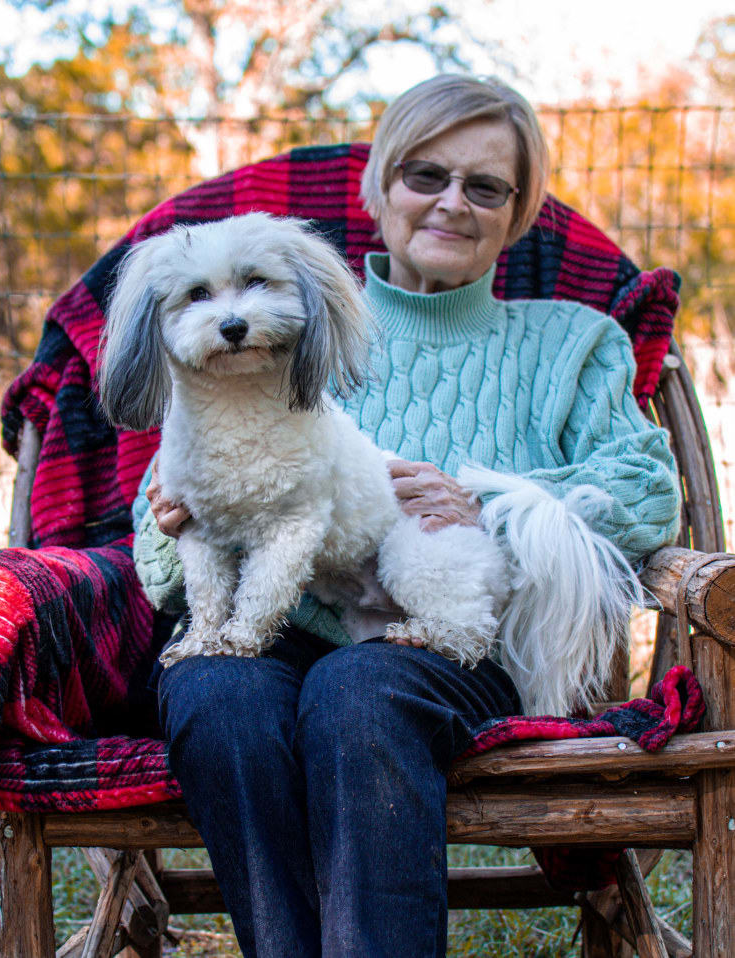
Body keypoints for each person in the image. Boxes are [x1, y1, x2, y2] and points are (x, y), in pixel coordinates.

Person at [132, 74, 680, 957]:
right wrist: (170, 520)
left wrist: (491, 502)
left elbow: (650, 494)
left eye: (486, 186)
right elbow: (164, 515)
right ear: (380, 187)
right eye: (425, 176)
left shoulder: (572, 342)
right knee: (214, 689)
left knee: (360, 688)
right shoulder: (281, 310)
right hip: (282, 631)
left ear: (520, 208)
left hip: (455, 644)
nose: (452, 204)